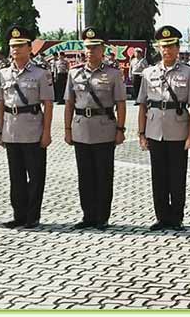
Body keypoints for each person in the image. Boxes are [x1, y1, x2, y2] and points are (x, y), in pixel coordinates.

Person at [137, 25, 190, 231]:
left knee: (177, 175)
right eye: (164, 46)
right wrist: (141, 133)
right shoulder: (148, 73)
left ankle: (176, 217)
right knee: (158, 176)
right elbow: (142, 105)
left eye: (172, 46)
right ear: (158, 48)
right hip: (155, 129)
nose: (168, 50)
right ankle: (161, 216)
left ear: (178, 47)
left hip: (178, 130)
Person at [64, 27, 127, 230]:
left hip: (104, 128)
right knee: (85, 175)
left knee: (103, 174)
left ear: (103, 50)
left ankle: (102, 217)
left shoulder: (113, 74)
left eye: (94, 48)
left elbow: (121, 104)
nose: (90, 51)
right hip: (81, 128)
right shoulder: (74, 73)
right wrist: (67, 129)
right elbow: (69, 103)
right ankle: (87, 215)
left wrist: (120, 129)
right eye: (88, 48)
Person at [0, 25, 54, 229]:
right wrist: (0, 130)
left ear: (30, 48)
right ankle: (18, 214)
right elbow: (1, 103)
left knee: (36, 175)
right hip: (11, 129)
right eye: (13, 46)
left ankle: (33, 216)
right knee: (16, 176)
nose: (16, 49)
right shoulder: (3, 73)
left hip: (33, 129)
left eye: (20, 45)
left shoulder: (40, 74)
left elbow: (47, 104)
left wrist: (47, 132)